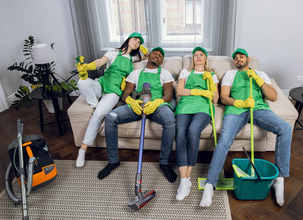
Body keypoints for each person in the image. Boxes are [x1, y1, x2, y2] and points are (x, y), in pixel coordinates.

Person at [200, 48, 292, 207]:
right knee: (224, 141)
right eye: (235, 58)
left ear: (248, 59)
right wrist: (240, 103)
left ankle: (279, 179)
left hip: (258, 108)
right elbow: (224, 97)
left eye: (241, 56)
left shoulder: (260, 74)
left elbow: (273, 96)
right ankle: (210, 185)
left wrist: (257, 79)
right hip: (236, 110)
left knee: (285, 128)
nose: (238, 59)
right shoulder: (230, 74)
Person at [98, 47, 177, 183]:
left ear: (162, 61)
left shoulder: (165, 73)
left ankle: (164, 163)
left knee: (170, 121)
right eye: (154, 53)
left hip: (157, 106)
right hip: (138, 105)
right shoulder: (135, 73)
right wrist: (130, 101)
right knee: (111, 117)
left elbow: (169, 94)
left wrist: (158, 102)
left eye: (160, 55)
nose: (157, 56)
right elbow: (125, 94)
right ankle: (113, 161)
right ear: (149, 55)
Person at [75, 32, 145, 168]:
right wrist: (87, 66)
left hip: (114, 92)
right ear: (129, 38)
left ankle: (82, 149)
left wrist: (142, 48)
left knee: (98, 115)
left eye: (139, 43)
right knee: (82, 82)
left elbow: (150, 56)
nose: (136, 43)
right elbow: (100, 62)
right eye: (135, 39)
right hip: (101, 84)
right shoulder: (113, 52)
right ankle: (94, 103)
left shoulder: (134, 59)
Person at [174, 47, 219, 200]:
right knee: (180, 133)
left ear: (206, 59)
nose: (198, 57)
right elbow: (180, 91)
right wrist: (199, 91)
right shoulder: (186, 72)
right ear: (193, 59)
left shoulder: (212, 75)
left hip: (203, 107)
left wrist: (211, 84)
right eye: (195, 55)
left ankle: (188, 174)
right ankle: (184, 180)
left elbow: (215, 99)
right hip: (185, 106)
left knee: (193, 131)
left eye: (201, 55)